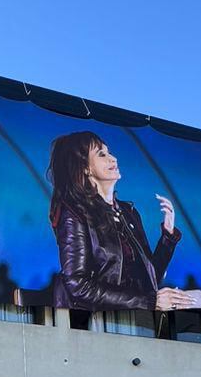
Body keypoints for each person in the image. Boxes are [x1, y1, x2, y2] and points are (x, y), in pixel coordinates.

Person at [47, 131, 193, 312]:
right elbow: (78, 285)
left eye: (109, 152)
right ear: (85, 167)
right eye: (102, 154)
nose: (113, 159)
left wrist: (168, 237)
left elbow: (150, 277)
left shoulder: (128, 212)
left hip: (132, 318)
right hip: (91, 322)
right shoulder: (74, 212)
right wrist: (149, 301)